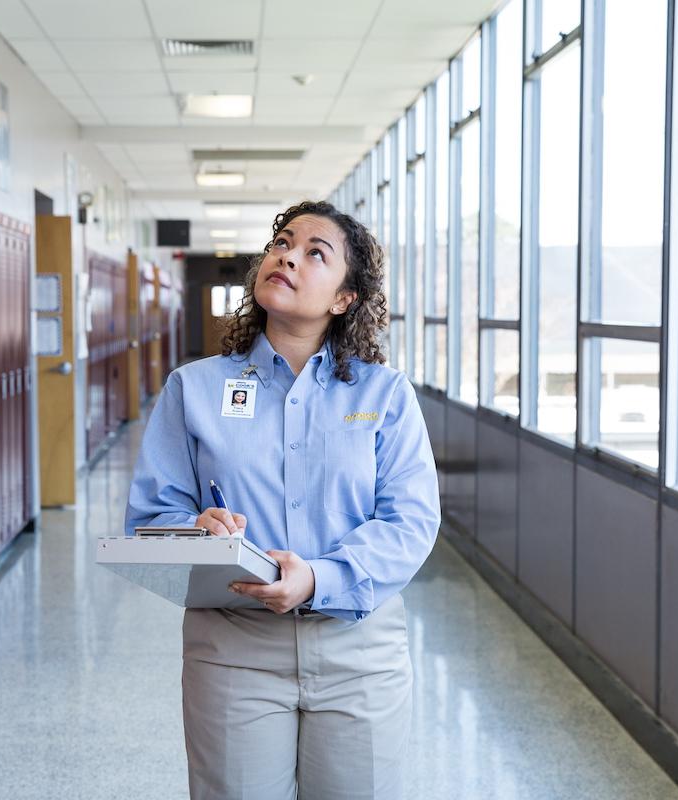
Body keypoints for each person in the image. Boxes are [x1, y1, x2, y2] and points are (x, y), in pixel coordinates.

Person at [125, 200, 440, 799]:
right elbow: (151, 520)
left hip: (360, 651)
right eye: (282, 244)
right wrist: (198, 527)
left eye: (314, 253)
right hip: (232, 651)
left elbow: (411, 522)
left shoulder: (386, 394)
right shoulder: (194, 388)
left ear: (344, 298)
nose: (288, 256)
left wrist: (318, 577)